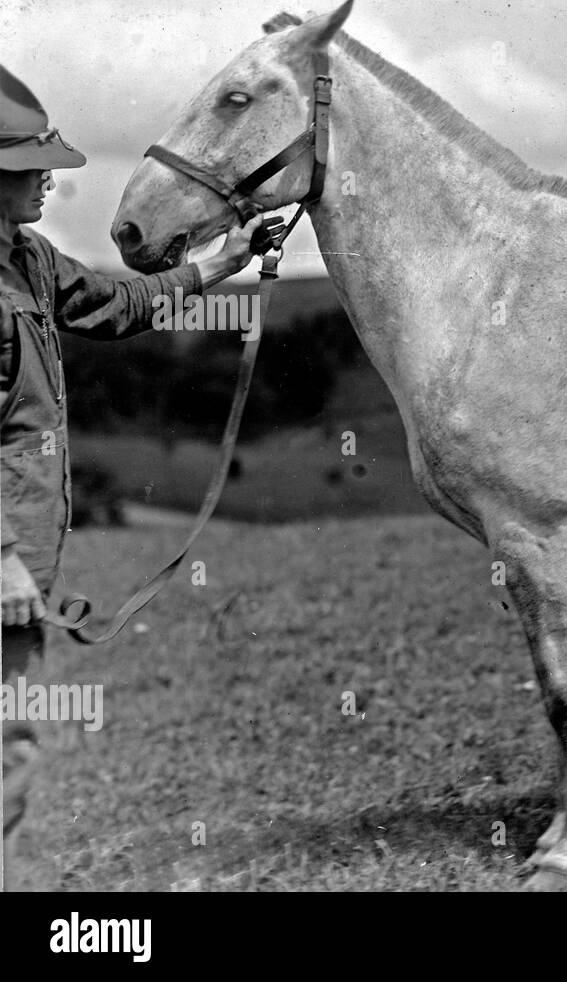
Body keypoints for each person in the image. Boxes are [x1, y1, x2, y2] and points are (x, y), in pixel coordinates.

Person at [0, 63, 263, 880]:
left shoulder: (26, 257)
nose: (49, 179)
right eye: (27, 166)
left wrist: (217, 266)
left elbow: (112, 305)